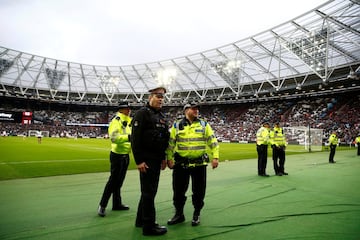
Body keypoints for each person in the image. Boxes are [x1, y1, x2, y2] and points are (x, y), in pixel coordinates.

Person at [166, 102, 219, 227]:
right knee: (178, 191)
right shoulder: (177, 125)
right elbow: (170, 144)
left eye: (197, 109)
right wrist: (169, 158)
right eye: (193, 108)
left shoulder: (204, 125)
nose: (196, 111)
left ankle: (196, 214)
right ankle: (179, 214)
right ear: (186, 110)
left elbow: (213, 141)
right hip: (181, 164)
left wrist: (215, 157)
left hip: (199, 164)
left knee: (199, 191)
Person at [131, 86, 170, 236]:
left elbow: (163, 139)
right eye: (158, 96)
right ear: (150, 97)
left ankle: (140, 220)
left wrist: (163, 158)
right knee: (148, 193)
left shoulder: (161, 116)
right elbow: (135, 138)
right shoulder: (142, 113)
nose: (161, 99)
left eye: (162, 97)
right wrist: (139, 160)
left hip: (156, 159)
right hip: (146, 160)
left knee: (149, 192)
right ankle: (149, 226)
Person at [97, 102, 132, 217]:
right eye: (127, 108)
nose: (129, 110)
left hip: (125, 154)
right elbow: (114, 138)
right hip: (117, 155)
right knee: (112, 182)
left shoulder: (129, 120)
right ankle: (102, 205)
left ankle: (117, 204)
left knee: (119, 182)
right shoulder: (116, 121)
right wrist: (129, 138)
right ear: (122, 109)